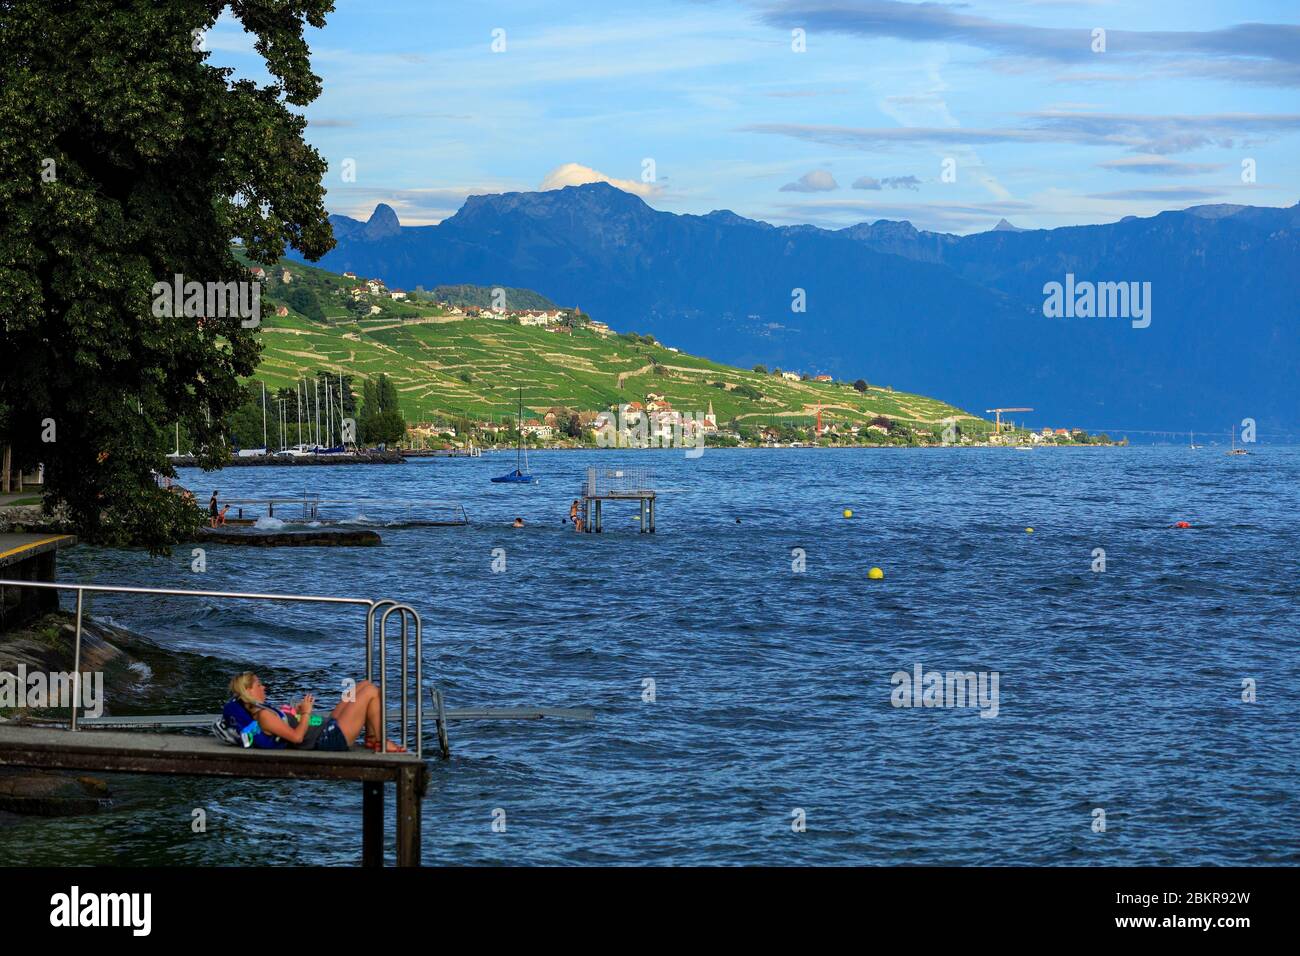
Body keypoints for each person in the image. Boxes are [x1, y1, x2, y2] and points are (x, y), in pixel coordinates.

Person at [224, 672, 404, 752]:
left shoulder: (264, 710)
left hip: (326, 726)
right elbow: (296, 738)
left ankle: (372, 739)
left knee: (364, 685)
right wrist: (307, 713)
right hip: (331, 738)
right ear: (248, 691)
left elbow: (290, 726)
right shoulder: (263, 716)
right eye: (258, 685)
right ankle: (381, 741)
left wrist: (297, 713)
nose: (263, 687)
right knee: (371, 692)